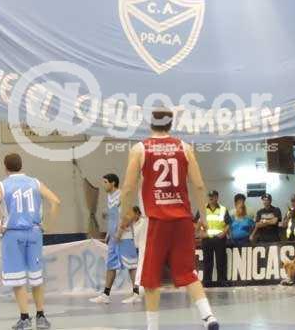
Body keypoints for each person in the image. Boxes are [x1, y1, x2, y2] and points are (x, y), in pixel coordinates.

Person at [118, 108, 219, 330]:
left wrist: (124, 215)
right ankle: (208, 316)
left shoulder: (140, 149)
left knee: (151, 278)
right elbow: (199, 185)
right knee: (188, 272)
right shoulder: (185, 148)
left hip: (155, 220)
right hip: (182, 220)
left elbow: (128, 187)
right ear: (171, 125)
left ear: (150, 124)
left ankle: (152, 327)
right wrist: (203, 216)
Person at [0, 153, 61, 330]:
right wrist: (47, 225)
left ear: (5, 167)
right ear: (21, 165)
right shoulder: (35, 182)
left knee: (17, 278)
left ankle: (25, 318)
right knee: (36, 276)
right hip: (34, 232)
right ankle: (41, 317)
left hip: (13, 234)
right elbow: (56, 202)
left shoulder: (2, 185)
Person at [90, 173, 141, 304]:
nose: (103, 185)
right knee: (111, 265)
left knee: (131, 265)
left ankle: (136, 293)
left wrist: (120, 232)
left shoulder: (122, 196)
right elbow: (114, 217)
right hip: (113, 238)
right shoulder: (109, 197)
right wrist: (109, 233)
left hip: (125, 237)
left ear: (113, 183)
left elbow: (129, 215)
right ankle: (105, 294)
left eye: (105, 182)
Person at [196, 190, 231, 287]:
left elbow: (228, 223)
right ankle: (207, 282)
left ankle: (222, 281)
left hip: (219, 239)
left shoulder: (223, 209)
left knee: (221, 261)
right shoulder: (202, 209)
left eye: (213, 196)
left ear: (217, 197)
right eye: (210, 196)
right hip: (207, 239)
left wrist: (224, 233)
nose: (211, 198)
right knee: (207, 261)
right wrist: (200, 233)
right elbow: (195, 223)